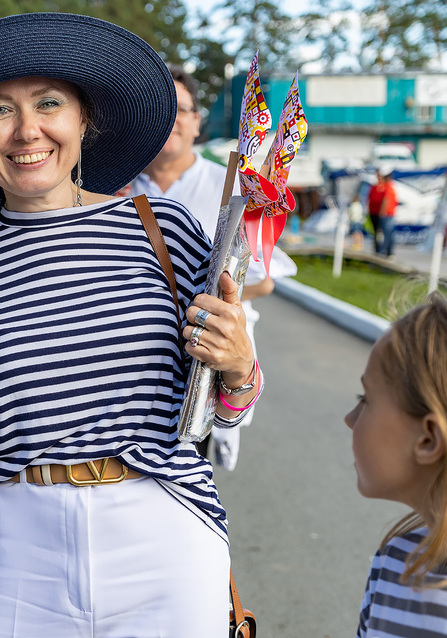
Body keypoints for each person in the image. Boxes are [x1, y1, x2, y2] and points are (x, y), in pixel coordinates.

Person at [0, 13, 261, 637]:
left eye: (49, 103)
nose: (27, 130)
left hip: (164, 538)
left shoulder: (165, 233)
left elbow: (224, 410)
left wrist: (239, 368)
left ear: (84, 120)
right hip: (19, 559)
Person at [130, 65, 294, 470]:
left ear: (197, 121)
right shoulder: (115, 188)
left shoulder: (235, 186)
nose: (171, 120)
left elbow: (263, 282)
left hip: (202, 360)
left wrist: (198, 301)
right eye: (160, 109)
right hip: (133, 364)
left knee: (187, 461)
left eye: (181, 110)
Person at [345, 295, 447, 637]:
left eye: (365, 400)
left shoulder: (399, 562)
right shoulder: (393, 561)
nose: (350, 419)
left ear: (428, 439)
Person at [368, 169, 397, 257]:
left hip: (385, 214)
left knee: (386, 234)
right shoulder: (375, 187)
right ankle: (378, 250)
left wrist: (382, 211)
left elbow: (386, 200)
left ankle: (385, 251)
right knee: (378, 233)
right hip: (374, 213)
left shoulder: (388, 187)